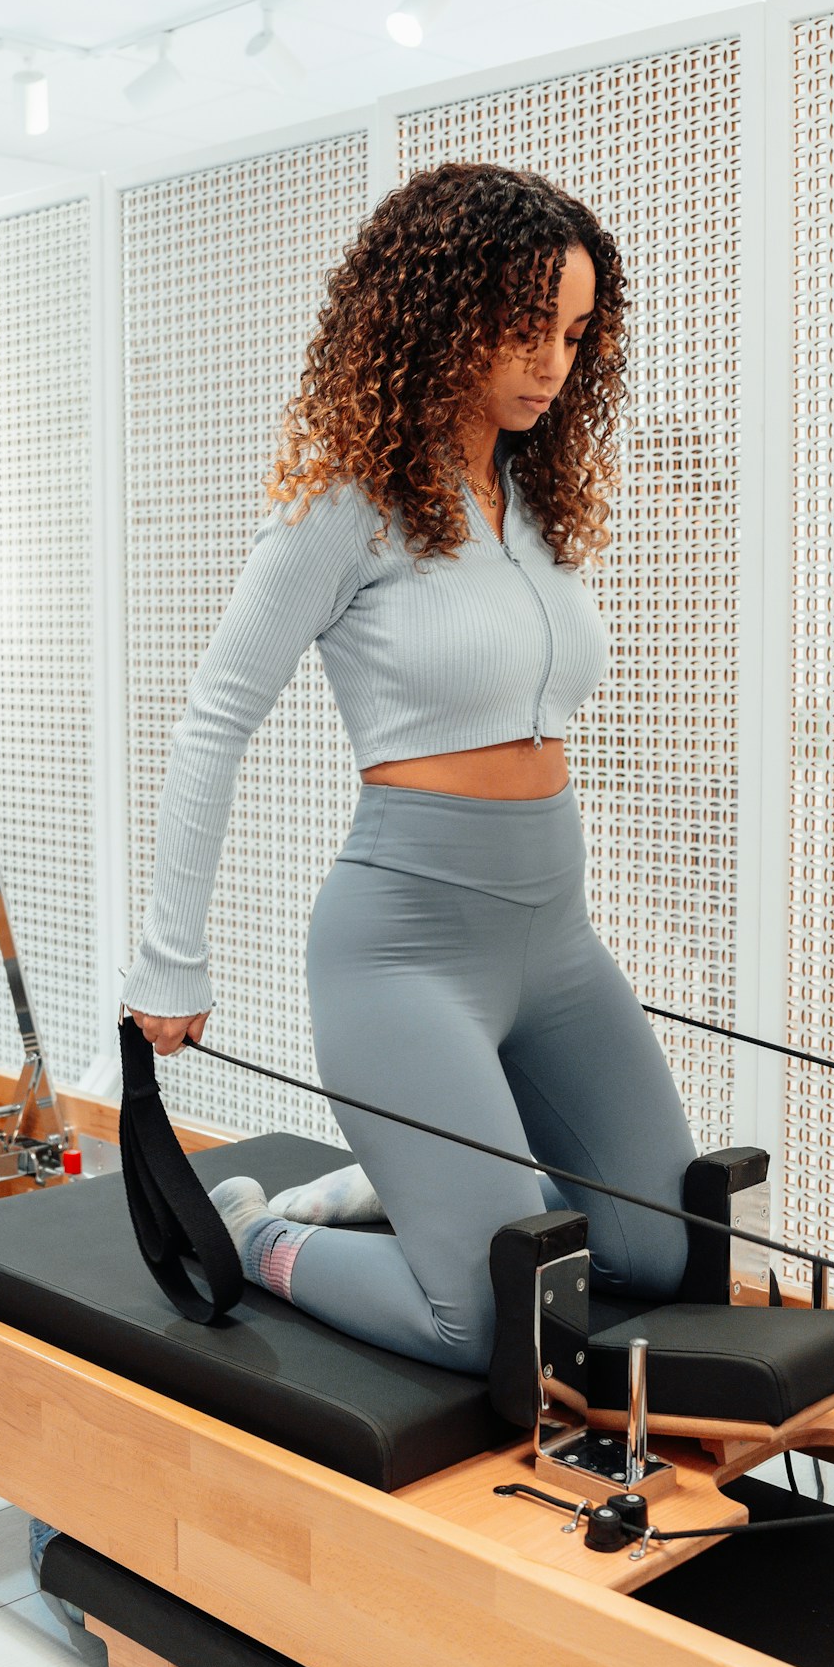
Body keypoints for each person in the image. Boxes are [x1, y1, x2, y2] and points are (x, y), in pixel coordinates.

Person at [123, 159, 694, 1373]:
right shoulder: (349, 504)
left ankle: (396, 1189)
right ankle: (269, 1236)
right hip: (405, 950)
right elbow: (215, 714)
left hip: (556, 940)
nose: (554, 362)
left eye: (577, 334)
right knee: (493, 1319)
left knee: (663, 1252)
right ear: (439, 316)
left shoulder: (529, 501)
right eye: (526, 327)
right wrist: (170, 954)